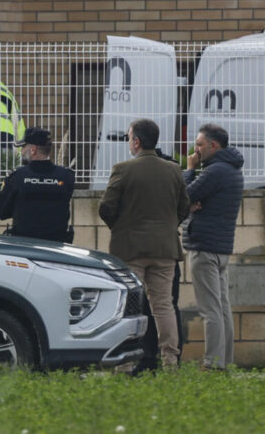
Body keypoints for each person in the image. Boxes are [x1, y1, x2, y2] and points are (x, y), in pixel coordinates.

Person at [99, 118, 190, 369]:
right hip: (165, 249)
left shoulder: (123, 169)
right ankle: (170, 360)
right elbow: (184, 207)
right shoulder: (173, 170)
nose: (129, 142)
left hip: (130, 250)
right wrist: (168, 227)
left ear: (136, 141)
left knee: (130, 306)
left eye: (129, 137)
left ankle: (126, 364)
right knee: (164, 306)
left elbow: (106, 207)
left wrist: (120, 227)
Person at [184, 123, 244, 371]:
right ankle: (224, 361)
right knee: (222, 307)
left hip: (204, 247)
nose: (195, 150)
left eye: (199, 145)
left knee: (210, 311)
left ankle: (212, 363)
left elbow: (183, 194)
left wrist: (189, 170)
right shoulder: (232, 170)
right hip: (221, 249)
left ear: (213, 145)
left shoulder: (214, 171)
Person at [0, 127, 75, 242]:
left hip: (24, 246)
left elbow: (2, 213)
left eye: (23, 147)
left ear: (33, 150)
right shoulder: (66, 176)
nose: (21, 151)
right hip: (58, 248)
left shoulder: (16, 176)